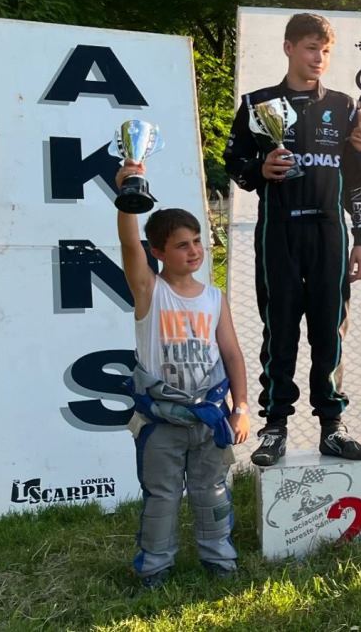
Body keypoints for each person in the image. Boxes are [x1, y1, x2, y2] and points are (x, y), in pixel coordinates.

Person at [224, 13, 361, 465]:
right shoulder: (257, 103)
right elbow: (233, 162)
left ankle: (333, 425)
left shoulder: (345, 106)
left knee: (331, 330)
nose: (318, 58)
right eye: (311, 48)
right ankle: (275, 427)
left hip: (330, 232)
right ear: (289, 47)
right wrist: (259, 170)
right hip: (280, 231)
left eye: (326, 51)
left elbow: (356, 179)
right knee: (281, 329)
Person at [115, 164, 250, 588]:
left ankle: (219, 560)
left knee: (212, 492)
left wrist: (241, 407)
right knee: (162, 497)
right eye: (181, 245)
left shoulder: (214, 298)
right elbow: (128, 243)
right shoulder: (149, 291)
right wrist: (128, 196)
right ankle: (154, 568)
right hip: (161, 422)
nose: (193, 251)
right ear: (158, 252)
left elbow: (232, 354)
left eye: (196, 242)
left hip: (209, 419)